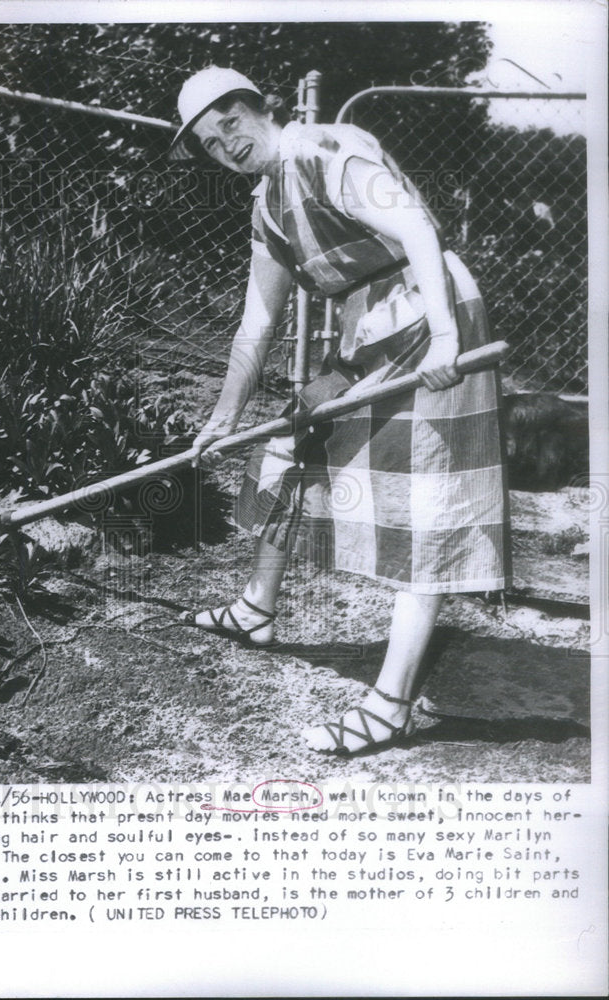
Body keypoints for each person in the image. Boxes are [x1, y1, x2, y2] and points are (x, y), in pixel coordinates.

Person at [171, 67, 511, 756]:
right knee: (289, 446)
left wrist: (445, 336)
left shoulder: (326, 148)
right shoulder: (267, 204)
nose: (225, 144)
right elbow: (255, 323)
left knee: (428, 500)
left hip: (430, 310)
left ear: (259, 107)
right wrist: (225, 415)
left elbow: (415, 225)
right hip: (370, 331)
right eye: (209, 142)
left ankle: (391, 706)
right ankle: (255, 611)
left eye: (229, 123)